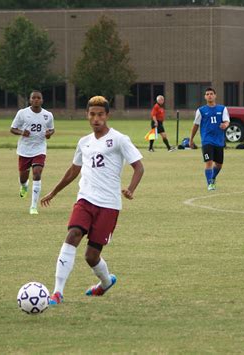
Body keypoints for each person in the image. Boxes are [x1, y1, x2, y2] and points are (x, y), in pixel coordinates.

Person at [40, 96, 144, 304]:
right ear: (87, 115)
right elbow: (73, 171)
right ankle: (57, 292)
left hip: (109, 205)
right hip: (85, 199)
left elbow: (139, 167)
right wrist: (54, 192)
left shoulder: (119, 139)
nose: (96, 118)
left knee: (91, 256)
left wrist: (131, 189)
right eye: (92, 114)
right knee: (73, 234)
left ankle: (105, 283)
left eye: (100, 114)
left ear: (107, 116)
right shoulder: (84, 142)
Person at [10, 90, 55, 215]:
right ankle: (24, 186)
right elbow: (12, 129)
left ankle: (33, 206)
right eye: (33, 98)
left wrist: (48, 134)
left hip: (39, 149)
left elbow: (51, 130)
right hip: (24, 150)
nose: (36, 100)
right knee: (23, 178)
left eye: (38, 98)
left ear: (42, 100)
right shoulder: (22, 113)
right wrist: (22, 132)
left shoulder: (48, 115)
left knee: (37, 173)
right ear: (30, 100)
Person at [189, 87, 230, 191]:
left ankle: (212, 177)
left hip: (219, 141)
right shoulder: (201, 110)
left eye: (211, 94)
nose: (209, 96)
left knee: (219, 165)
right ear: (205, 97)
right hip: (207, 141)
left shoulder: (222, 109)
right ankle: (210, 184)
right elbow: (195, 125)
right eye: (207, 94)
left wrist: (225, 125)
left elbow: (227, 121)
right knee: (209, 162)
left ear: (215, 95)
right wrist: (191, 139)